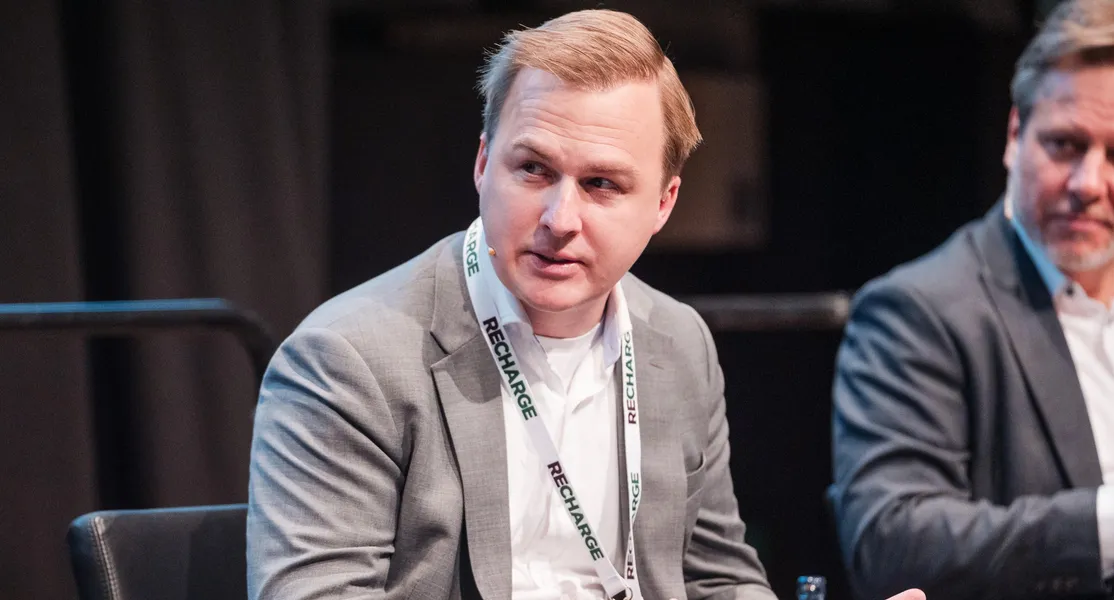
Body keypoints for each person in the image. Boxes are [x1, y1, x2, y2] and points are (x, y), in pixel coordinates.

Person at [247, 9, 790, 600]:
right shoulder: (349, 359)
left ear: (664, 203)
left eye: (602, 184)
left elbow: (718, 578)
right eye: (533, 169)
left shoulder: (681, 342)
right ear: (483, 164)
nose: (560, 219)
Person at [830, 1, 1114, 599]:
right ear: (1013, 136)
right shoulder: (922, 310)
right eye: (1064, 144)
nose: (1087, 183)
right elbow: (891, 542)